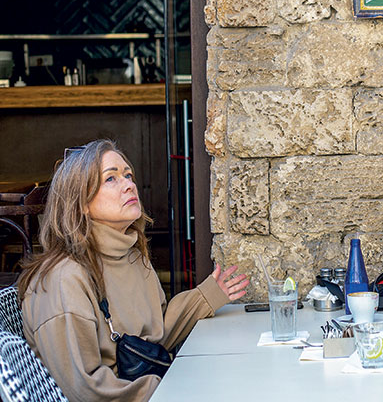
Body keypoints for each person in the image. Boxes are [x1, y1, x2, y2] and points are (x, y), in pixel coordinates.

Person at [18, 140, 249, 402]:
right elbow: (85, 390)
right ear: (80, 202)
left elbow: (149, 338)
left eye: (128, 175)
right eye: (111, 179)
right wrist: (173, 389)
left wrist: (206, 297)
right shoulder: (63, 279)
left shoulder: (133, 256)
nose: (129, 184)